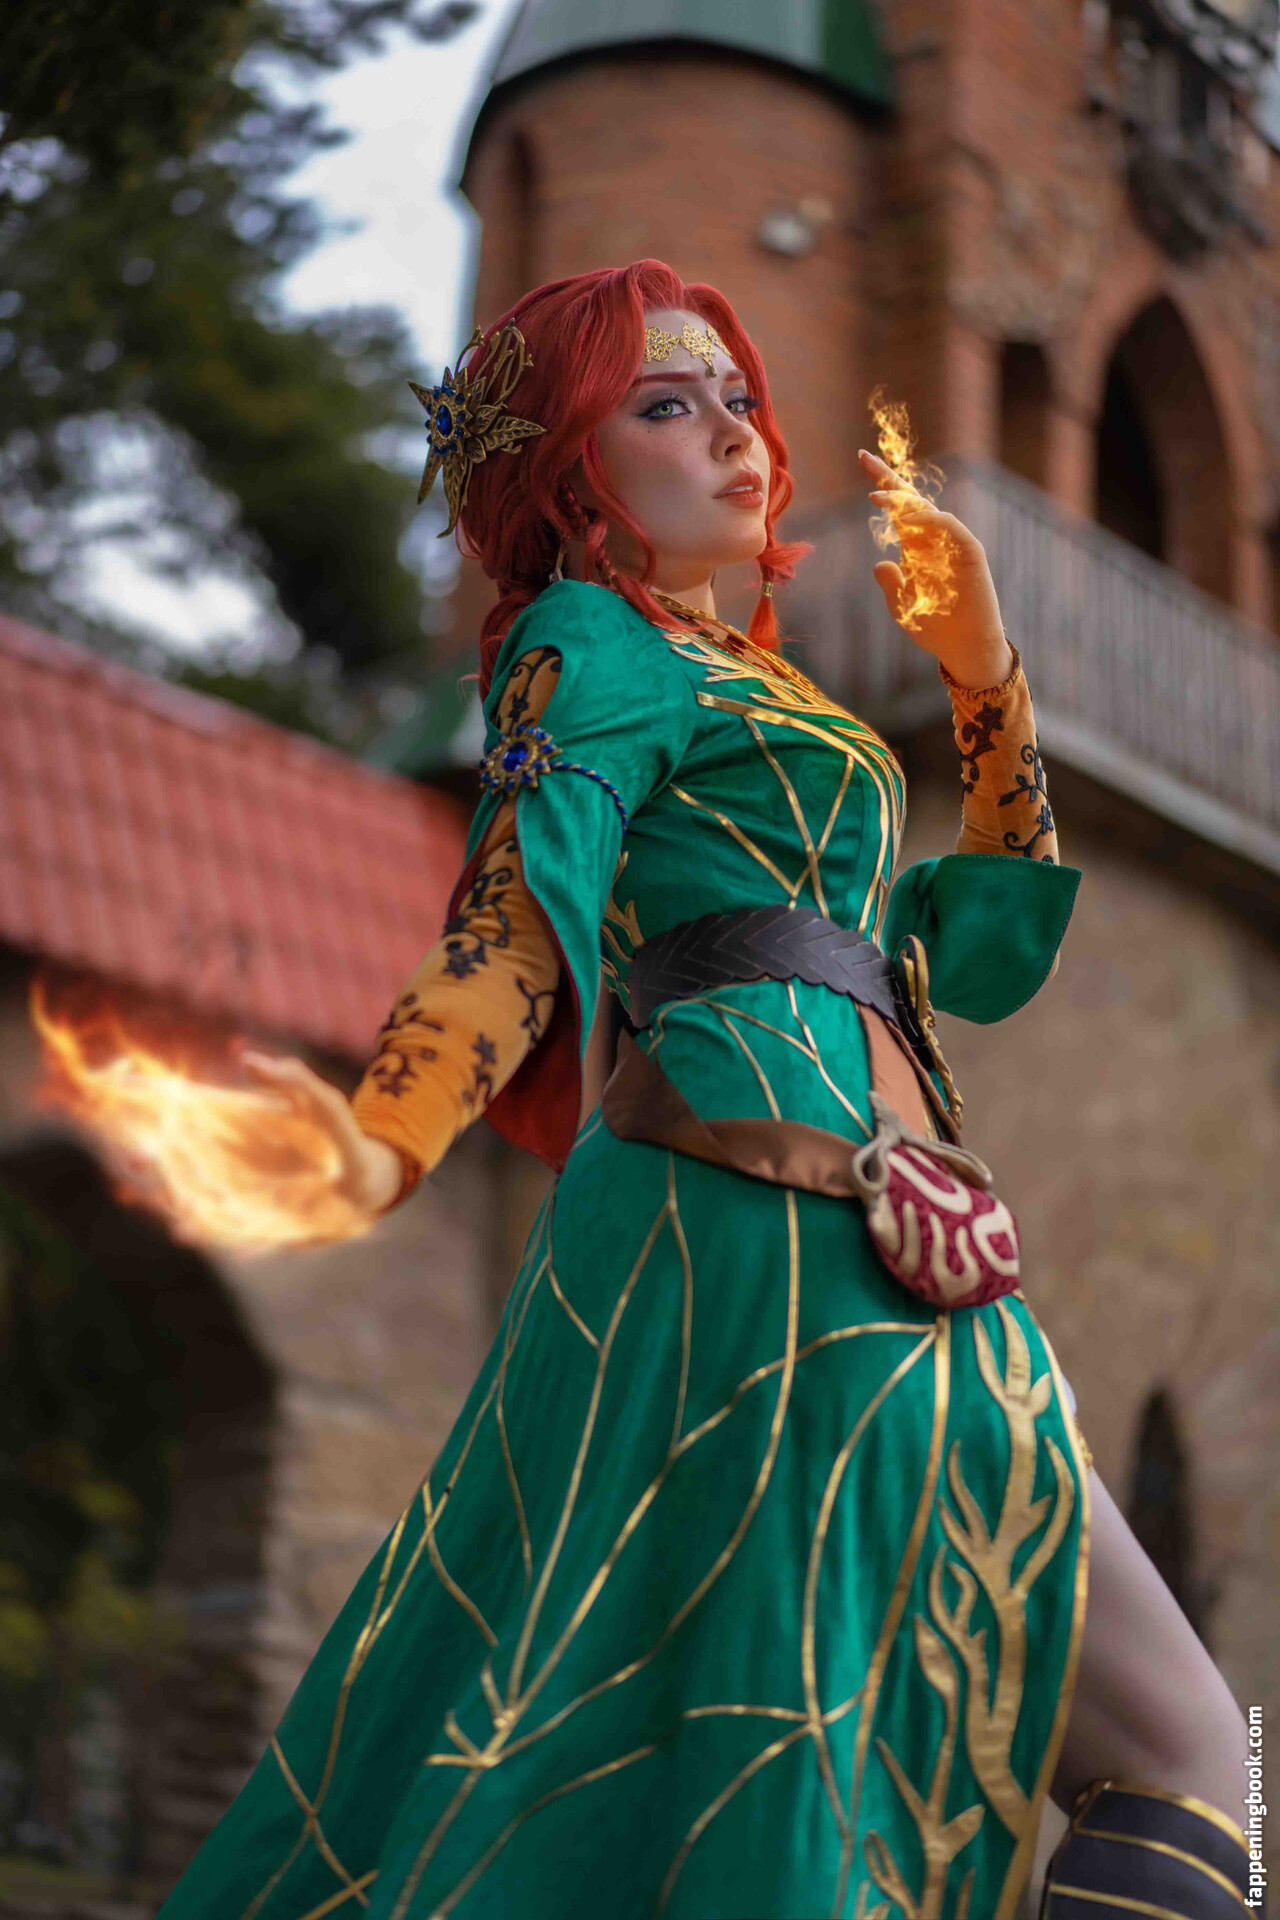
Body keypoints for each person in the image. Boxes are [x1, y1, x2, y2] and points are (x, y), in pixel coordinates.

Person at [161, 261, 1254, 1920]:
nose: (737, 433)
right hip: (757, 1218)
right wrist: (386, 1132)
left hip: (901, 1231)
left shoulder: (766, 690)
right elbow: (515, 911)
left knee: (1198, 1762)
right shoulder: (588, 639)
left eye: (740, 397)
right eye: (667, 406)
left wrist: (985, 682)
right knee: (879, 1759)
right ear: (569, 472)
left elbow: (973, 951)